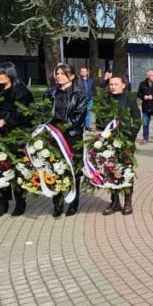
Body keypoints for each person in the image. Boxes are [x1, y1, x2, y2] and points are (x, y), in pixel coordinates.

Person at [0, 62, 34, 217]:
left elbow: (26, 114)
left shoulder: (22, 92)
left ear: (10, 74)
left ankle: (20, 202)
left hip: (16, 137)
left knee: (17, 171)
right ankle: (2, 202)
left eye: (1, 73)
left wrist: (4, 121)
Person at [45, 63, 88, 217]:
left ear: (72, 76)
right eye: (57, 73)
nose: (59, 76)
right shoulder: (50, 92)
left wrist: (61, 129)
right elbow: (44, 112)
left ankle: (73, 203)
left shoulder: (80, 94)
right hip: (52, 136)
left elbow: (78, 117)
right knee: (53, 168)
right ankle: (57, 203)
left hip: (71, 137)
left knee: (72, 170)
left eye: (63, 74)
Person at [100, 75, 141, 215]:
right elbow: (100, 120)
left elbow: (137, 119)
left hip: (125, 141)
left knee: (126, 170)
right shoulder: (105, 100)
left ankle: (128, 202)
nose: (112, 87)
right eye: (111, 84)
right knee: (110, 170)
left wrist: (130, 136)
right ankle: (115, 202)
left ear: (123, 85)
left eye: (116, 84)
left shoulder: (130, 99)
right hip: (109, 142)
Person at [76, 66, 95, 131]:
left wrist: (92, 95)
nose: (83, 72)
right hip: (81, 100)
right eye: (82, 71)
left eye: (85, 71)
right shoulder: (77, 81)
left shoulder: (91, 81)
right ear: (80, 72)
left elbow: (93, 89)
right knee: (81, 113)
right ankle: (80, 126)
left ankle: (87, 127)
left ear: (87, 72)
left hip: (89, 100)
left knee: (88, 113)